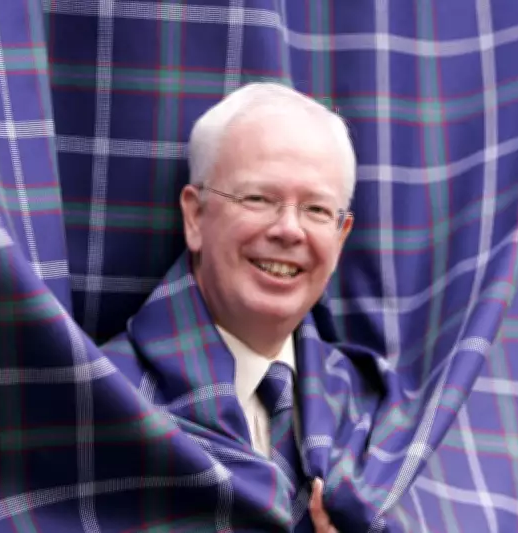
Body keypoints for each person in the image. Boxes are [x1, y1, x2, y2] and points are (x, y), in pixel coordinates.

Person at [104, 81, 354, 532]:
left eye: (317, 210)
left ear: (340, 238)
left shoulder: (373, 413)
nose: (289, 230)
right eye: (258, 198)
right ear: (195, 216)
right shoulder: (106, 402)